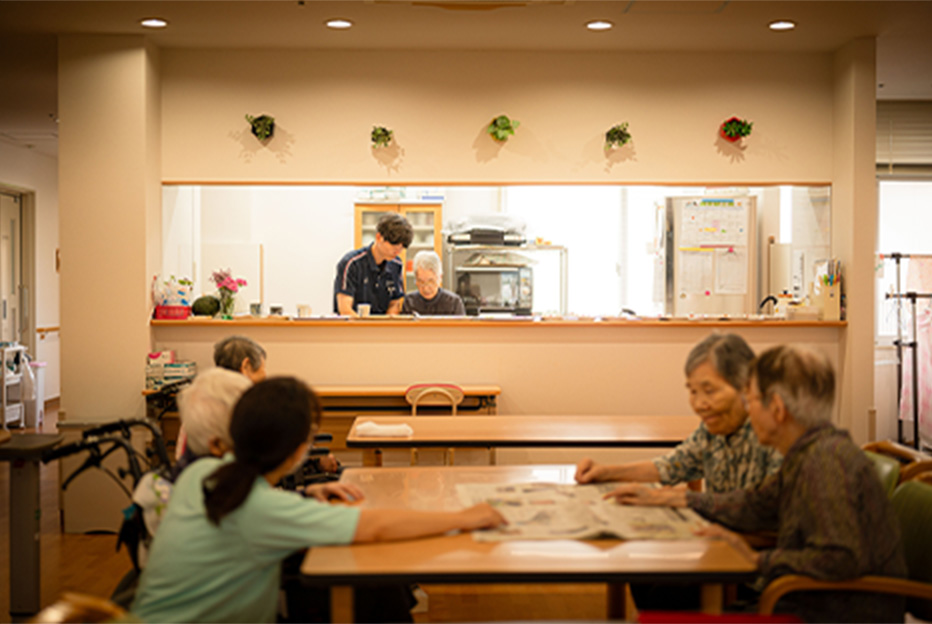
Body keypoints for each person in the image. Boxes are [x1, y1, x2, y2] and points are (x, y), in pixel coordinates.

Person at [131, 376, 505, 624]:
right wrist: (465, 516)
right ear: (298, 449)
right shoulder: (262, 509)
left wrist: (305, 491)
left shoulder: (201, 476)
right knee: (367, 585)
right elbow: (377, 527)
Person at [609, 345, 907, 623]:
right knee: (654, 587)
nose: (748, 411)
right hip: (802, 601)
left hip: (826, 613)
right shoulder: (809, 453)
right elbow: (755, 503)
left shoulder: (825, 463)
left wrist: (756, 560)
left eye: (750, 399)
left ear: (776, 408)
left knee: (663, 606)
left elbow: (840, 558)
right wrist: (674, 499)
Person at [576, 333, 782, 495]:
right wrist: (606, 473)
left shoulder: (772, 434)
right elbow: (672, 466)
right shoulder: (711, 430)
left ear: (746, 386)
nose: (699, 404)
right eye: (693, 392)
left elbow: (767, 514)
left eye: (709, 391)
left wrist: (685, 500)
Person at [333, 212, 413, 316]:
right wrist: (366, 330)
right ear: (379, 237)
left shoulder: (396, 264)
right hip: (352, 329)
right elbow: (344, 309)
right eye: (394, 245)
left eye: (402, 247)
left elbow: (394, 303)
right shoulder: (351, 264)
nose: (398, 251)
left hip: (382, 330)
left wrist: (385, 327)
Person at [401, 250, 466, 316]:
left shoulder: (454, 303)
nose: (426, 288)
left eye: (431, 282)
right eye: (421, 282)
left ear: (440, 278)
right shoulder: (409, 302)